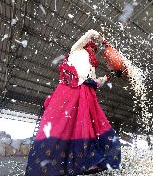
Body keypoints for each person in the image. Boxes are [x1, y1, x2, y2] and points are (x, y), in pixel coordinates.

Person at [25, 29, 121, 176]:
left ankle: (87, 162)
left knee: (89, 126)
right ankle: (49, 167)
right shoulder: (76, 49)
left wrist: (108, 77)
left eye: (94, 49)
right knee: (61, 126)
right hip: (69, 92)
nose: (93, 50)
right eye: (91, 47)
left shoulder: (92, 64)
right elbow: (87, 35)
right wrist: (97, 36)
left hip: (85, 96)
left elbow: (95, 82)